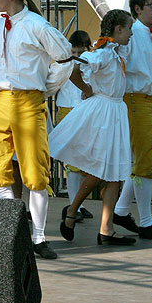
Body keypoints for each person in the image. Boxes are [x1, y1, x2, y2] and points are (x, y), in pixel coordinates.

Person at [0, 0, 74, 260]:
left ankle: (38, 236)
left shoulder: (36, 25)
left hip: (27, 101)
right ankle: (11, 233)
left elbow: (64, 56)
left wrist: (44, 88)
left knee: (35, 171)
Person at [50, 9, 136, 246]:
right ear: (118, 30)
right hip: (105, 112)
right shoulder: (104, 53)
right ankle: (72, 210)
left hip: (115, 111)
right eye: (128, 28)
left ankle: (105, 229)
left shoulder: (116, 52)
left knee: (114, 174)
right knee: (102, 170)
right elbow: (76, 69)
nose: (131, 33)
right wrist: (87, 90)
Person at [113, 0, 152, 240]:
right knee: (145, 158)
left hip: (150, 101)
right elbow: (119, 59)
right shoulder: (132, 34)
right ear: (137, 9)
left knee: (149, 158)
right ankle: (145, 221)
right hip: (136, 100)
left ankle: (121, 210)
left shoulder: (151, 35)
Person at [56, 30, 94, 221]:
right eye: (74, 53)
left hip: (85, 113)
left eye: (81, 53)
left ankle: (79, 203)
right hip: (67, 111)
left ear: (89, 49)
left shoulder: (92, 64)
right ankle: (74, 206)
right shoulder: (63, 65)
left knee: (83, 161)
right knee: (72, 162)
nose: (77, 57)